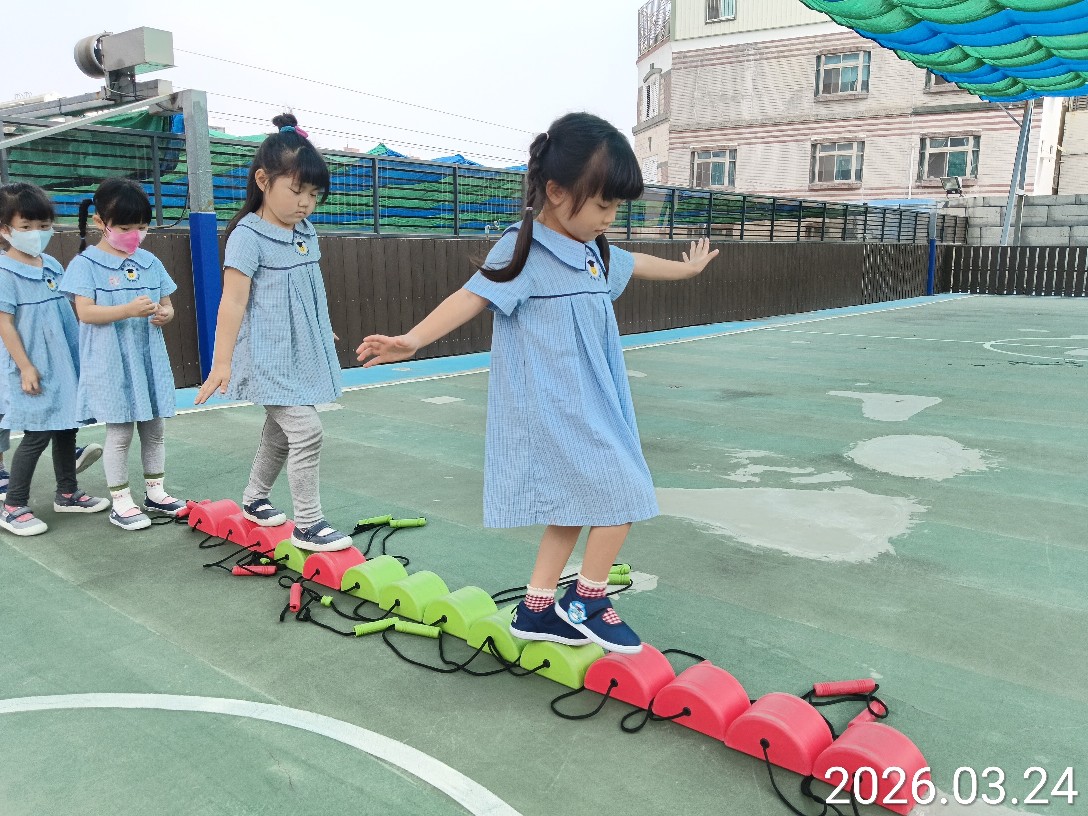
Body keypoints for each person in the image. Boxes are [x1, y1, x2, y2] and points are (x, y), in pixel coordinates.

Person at [357, 113, 718, 653]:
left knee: (573, 507)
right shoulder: (524, 251)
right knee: (625, 493)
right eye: (602, 205)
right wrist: (411, 340)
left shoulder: (593, 251)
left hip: (596, 399)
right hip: (557, 404)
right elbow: (471, 295)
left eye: (616, 207)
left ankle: (536, 607)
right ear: (555, 191)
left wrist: (686, 270)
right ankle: (587, 599)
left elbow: (637, 262)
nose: (609, 218)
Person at [195, 114, 349, 553]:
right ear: (263, 180)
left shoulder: (305, 231)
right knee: (306, 431)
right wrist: (221, 362)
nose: (306, 203)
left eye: (314, 194)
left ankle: (254, 499)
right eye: (297, 191)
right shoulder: (248, 236)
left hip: (301, 352)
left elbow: (310, 287)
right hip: (268, 356)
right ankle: (308, 524)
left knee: (280, 433)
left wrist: (322, 328)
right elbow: (232, 302)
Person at [62, 178, 184, 531]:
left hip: (148, 360)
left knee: (155, 428)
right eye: (125, 227)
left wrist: (165, 314)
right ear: (101, 222)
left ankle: (156, 493)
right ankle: (121, 502)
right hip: (110, 362)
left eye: (142, 227)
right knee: (120, 433)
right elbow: (86, 313)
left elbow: (168, 305)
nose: (135, 235)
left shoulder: (150, 261)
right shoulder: (86, 264)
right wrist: (128, 310)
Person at [0, 182, 110, 535]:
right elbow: (5, 324)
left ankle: (67, 492)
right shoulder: (4, 273)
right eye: (26, 226)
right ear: (5, 230)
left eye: (44, 225)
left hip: (64, 362)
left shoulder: (50, 264)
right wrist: (25, 367)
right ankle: (13, 505)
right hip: (33, 366)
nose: (37, 233)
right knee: (37, 432)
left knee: (67, 426)